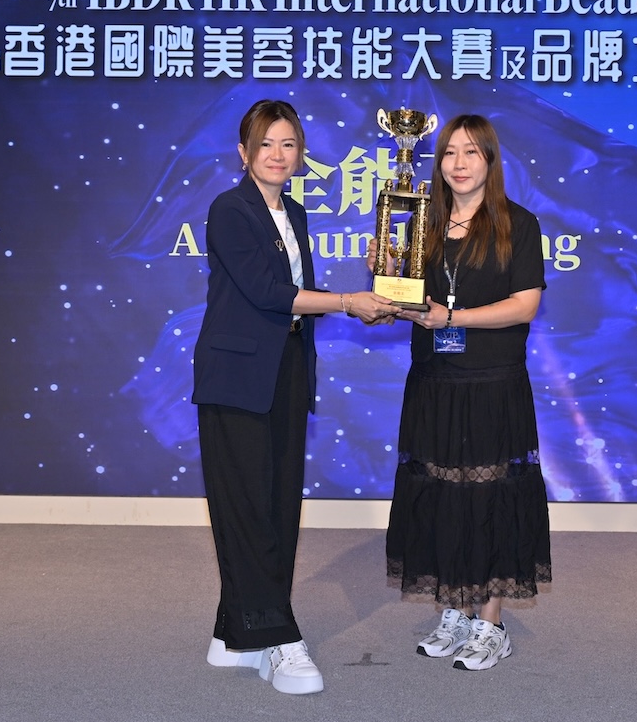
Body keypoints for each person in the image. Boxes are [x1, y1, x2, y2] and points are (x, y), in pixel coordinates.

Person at [192, 98, 395, 695]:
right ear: (243, 152)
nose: (278, 155)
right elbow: (267, 292)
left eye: (288, 144)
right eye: (266, 144)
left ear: (301, 153)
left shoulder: (296, 213)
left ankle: (235, 633)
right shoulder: (229, 209)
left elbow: (295, 293)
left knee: (278, 503)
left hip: (285, 371)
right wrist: (348, 302)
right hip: (236, 377)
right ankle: (277, 636)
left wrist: (374, 294)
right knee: (248, 507)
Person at [380, 113, 552, 671]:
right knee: (440, 494)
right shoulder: (423, 222)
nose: (458, 163)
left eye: (471, 152)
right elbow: (410, 294)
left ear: (490, 161)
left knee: (491, 496)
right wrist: (390, 287)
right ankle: (456, 608)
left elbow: (525, 305)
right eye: (450, 152)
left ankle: (491, 622)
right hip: (434, 381)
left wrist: (453, 317)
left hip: (492, 382)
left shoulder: (518, 224)